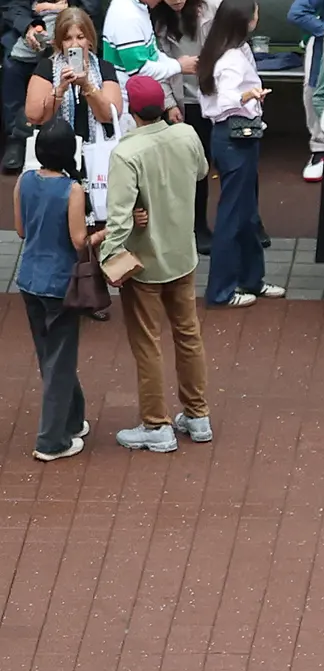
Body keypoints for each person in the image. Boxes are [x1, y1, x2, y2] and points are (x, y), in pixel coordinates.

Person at [97, 71, 211, 454]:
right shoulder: (186, 134)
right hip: (183, 253)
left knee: (147, 343)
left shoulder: (127, 153)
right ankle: (197, 415)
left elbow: (118, 217)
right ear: (162, 106)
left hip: (144, 261)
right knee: (188, 334)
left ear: (132, 111)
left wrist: (108, 257)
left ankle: (156, 423)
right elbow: (199, 173)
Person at [18, 123, 91, 461]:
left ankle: (73, 419)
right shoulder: (72, 189)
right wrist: (101, 236)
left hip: (29, 278)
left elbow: (20, 230)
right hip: (60, 283)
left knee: (50, 355)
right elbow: (79, 241)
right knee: (60, 361)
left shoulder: (24, 181)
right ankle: (51, 441)